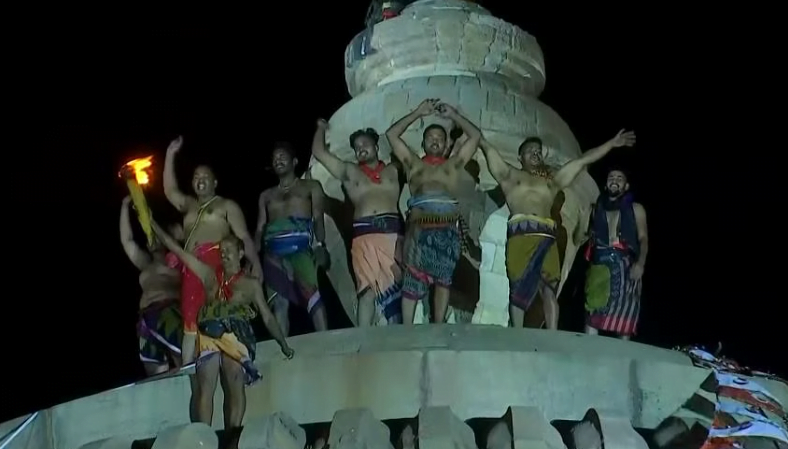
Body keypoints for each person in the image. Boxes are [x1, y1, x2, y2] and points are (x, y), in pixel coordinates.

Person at [151, 219, 293, 449]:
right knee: (205, 384)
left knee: (234, 380)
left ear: (240, 253)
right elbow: (177, 249)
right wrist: (152, 222)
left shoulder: (250, 285)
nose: (224, 254)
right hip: (209, 334)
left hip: (235, 334)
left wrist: (283, 344)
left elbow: (267, 317)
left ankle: (231, 437)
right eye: (221, 250)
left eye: (228, 250)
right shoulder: (209, 274)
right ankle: (202, 438)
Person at [479, 129, 636, 330]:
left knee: (549, 288)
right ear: (520, 157)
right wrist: (455, 116)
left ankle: (552, 332)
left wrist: (612, 143)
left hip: (546, 234)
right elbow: (483, 143)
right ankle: (517, 332)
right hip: (521, 233)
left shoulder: (552, 181)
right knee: (518, 289)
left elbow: (582, 161)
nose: (535, 153)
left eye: (538, 151)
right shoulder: (510, 175)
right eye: (530, 150)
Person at [163, 136, 263, 364]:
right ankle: (188, 367)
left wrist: (255, 263)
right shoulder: (189, 205)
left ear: (215, 182)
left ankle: (228, 359)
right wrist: (170, 154)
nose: (200, 180)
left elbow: (243, 237)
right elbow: (169, 190)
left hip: (217, 264)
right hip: (191, 267)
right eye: (196, 177)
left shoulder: (226, 206)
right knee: (190, 317)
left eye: (205, 177)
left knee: (215, 313)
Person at [385, 98, 481, 324]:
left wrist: (454, 115)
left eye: (439, 138)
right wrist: (418, 113)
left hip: (447, 230)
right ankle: (406, 329)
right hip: (418, 230)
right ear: (423, 142)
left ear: (446, 144)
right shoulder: (413, 164)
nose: (435, 141)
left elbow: (475, 136)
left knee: (443, 280)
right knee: (411, 281)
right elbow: (391, 135)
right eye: (430, 137)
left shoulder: (453, 165)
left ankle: (438, 325)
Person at [310, 119, 404, 326]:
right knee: (366, 292)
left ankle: (399, 338)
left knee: (397, 289)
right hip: (364, 236)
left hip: (392, 236)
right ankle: (362, 337)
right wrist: (321, 128)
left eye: (365, 144)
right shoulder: (350, 171)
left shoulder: (394, 170)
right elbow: (319, 152)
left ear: (377, 147)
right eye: (357, 147)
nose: (361, 148)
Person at [255, 142, 330, 336]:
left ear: (295, 161)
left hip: (301, 248)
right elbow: (260, 228)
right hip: (273, 252)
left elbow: (318, 218)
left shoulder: (311, 186)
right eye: (275, 158)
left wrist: (320, 245)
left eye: (282, 156)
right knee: (279, 303)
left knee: (313, 296)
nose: (278, 160)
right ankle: (283, 349)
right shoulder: (266, 195)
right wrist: (253, 259)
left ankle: (326, 342)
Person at [120, 196, 183, 376]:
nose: (151, 240)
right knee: (155, 371)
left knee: (183, 361)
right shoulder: (146, 263)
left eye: (155, 236)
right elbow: (127, 241)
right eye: (149, 237)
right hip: (146, 318)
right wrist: (125, 206)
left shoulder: (177, 261)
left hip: (169, 312)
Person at [584, 169, 648, 340]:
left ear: (626, 186)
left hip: (626, 264)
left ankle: (622, 354)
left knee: (625, 319)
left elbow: (643, 238)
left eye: (619, 178)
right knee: (593, 312)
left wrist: (641, 264)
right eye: (611, 177)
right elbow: (582, 236)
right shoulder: (596, 209)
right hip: (600, 264)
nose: (614, 180)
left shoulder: (636, 208)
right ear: (606, 185)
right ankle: (588, 351)